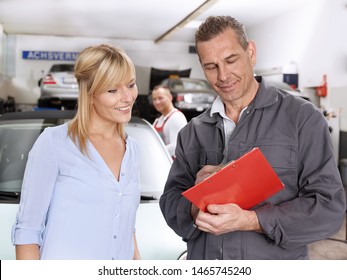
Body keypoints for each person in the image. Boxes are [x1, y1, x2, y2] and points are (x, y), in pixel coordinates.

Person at [159, 16, 346, 259]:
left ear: (251, 52)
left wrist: (252, 220)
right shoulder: (193, 131)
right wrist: (194, 209)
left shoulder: (302, 119)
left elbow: (328, 210)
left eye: (231, 60)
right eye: (211, 66)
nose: (223, 75)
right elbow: (170, 202)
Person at [12, 44, 141, 260]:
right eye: (112, 90)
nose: (128, 97)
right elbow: (27, 232)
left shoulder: (133, 149)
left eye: (131, 84)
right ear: (90, 94)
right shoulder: (54, 144)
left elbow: (127, 230)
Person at [152, 85, 187, 158]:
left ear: (170, 97)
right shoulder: (158, 120)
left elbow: (176, 147)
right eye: (154, 99)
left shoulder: (176, 117)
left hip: (173, 166)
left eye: (160, 98)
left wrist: (153, 152)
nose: (157, 102)